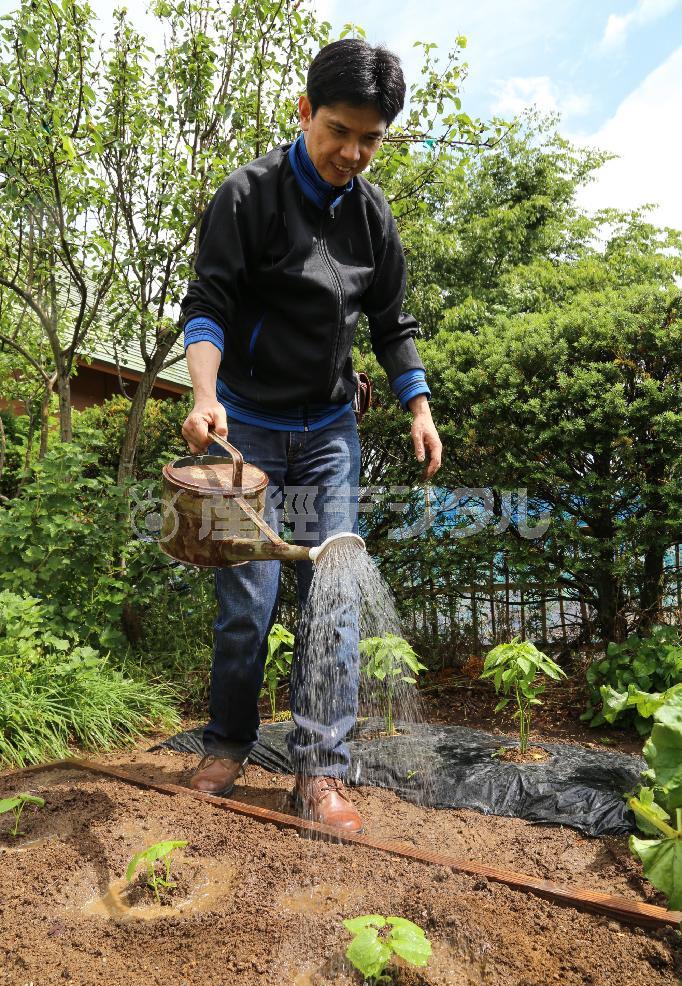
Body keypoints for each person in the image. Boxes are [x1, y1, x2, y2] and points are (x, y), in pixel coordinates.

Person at [179, 38, 442, 833]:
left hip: (329, 430)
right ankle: (226, 747)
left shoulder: (371, 217)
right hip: (248, 428)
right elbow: (208, 307)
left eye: (370, 139)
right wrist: (203, 395)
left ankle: (320, 774)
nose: (352, 153)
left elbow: (395, 323)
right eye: (339, 131)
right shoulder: (248, 196)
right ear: (304, 113)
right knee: (245, 602)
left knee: (333, 600)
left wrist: (418, 404)